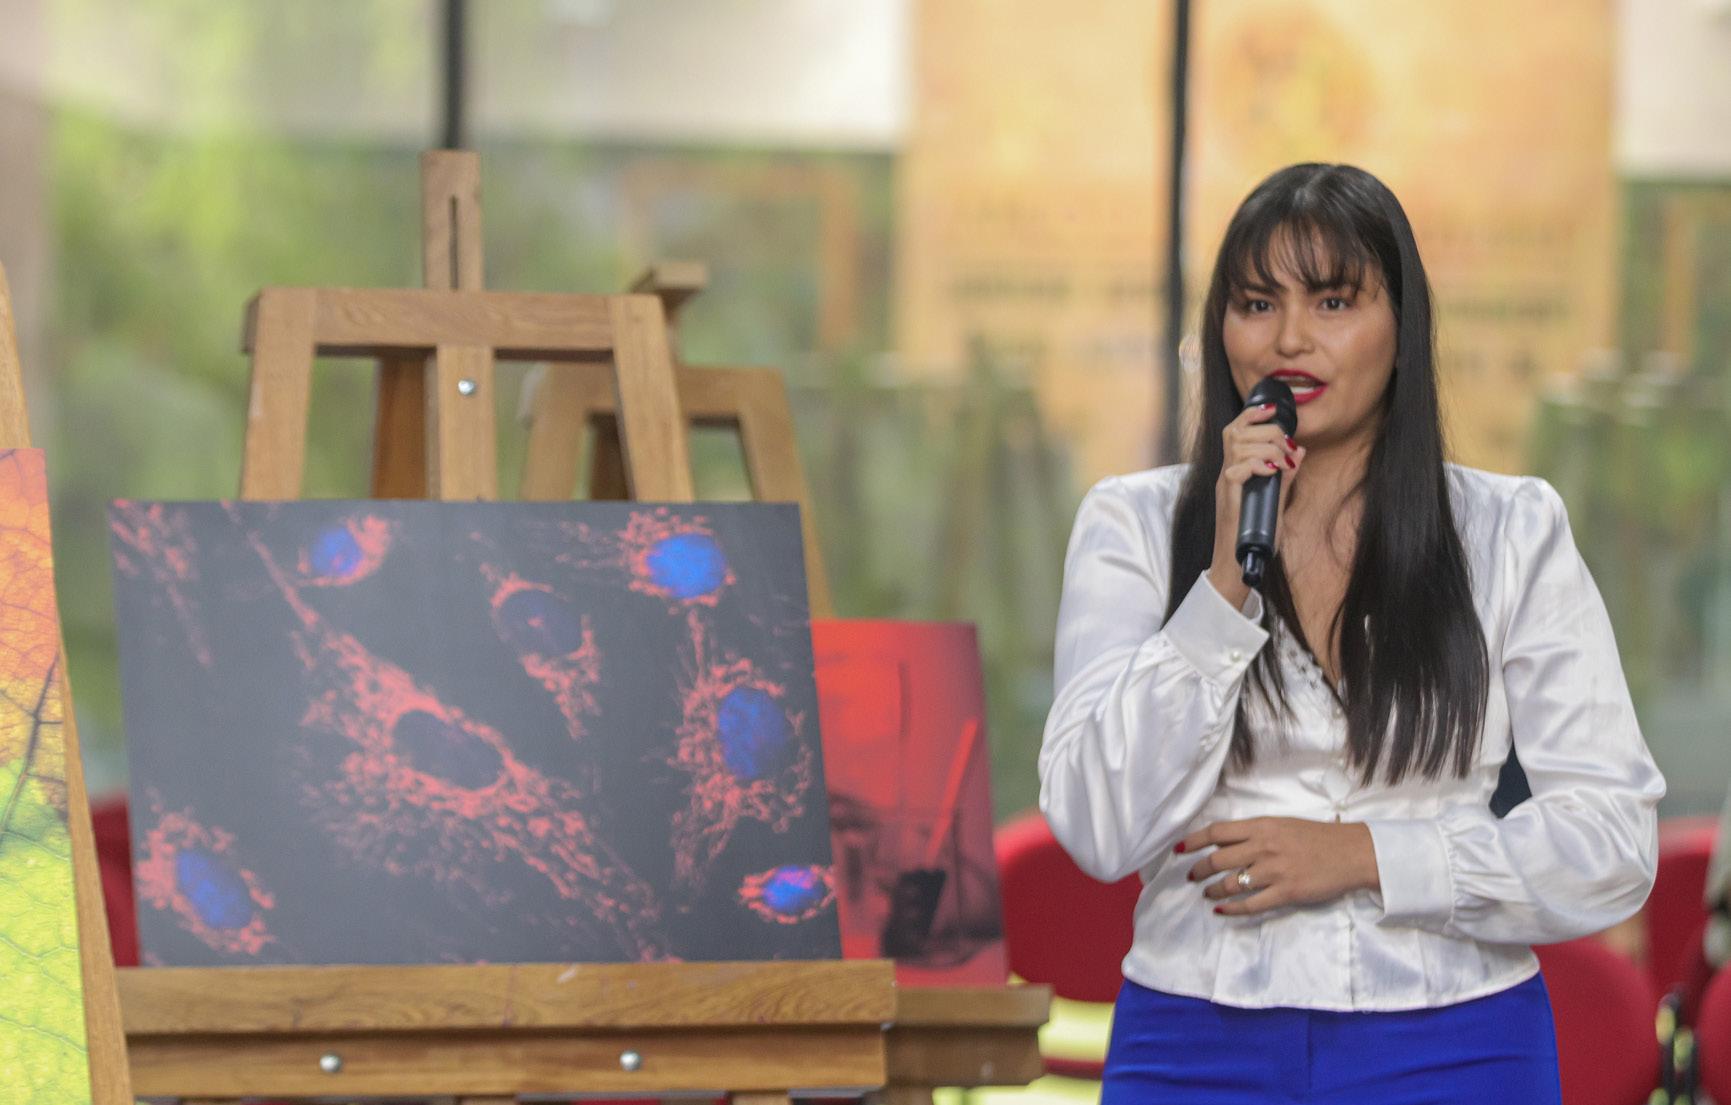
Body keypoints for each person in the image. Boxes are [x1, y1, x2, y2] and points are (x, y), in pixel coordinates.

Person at [1038, 162, 1666, 1103]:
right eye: (1256, 303)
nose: (1289, 337)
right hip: (1194, 1039)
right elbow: (1096, 827)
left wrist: (1366, 855)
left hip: (1456, 1039)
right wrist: (1220, 586)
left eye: (1332, 301)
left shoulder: (1508, 531)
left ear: (1402, 331)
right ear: (1219, 329)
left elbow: (1611, 838)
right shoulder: (1132, 525)